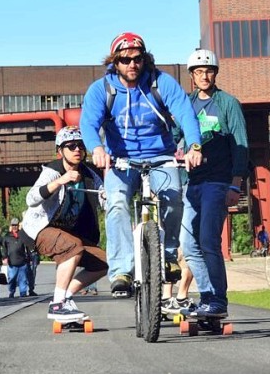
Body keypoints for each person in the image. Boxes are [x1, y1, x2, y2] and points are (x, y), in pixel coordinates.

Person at [79, 32, 203, 295]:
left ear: (145, 59)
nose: (131, 64)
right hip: (121, 160)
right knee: (116, 203)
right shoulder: (102, 90)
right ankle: (122, 270)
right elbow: (88, 124)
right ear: (114, 62)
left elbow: (186, 114)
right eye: (124, 60)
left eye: (137, 59)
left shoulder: (161, 83)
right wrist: (97, 148)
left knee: (174, 197)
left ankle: (168, 256)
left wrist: (194, 146)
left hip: (161, 156)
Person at [177, 48, 249, 318]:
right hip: (191, 183)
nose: (203, 76)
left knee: (208, 240)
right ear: (192, 76)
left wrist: (236, 183)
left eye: (208, 71)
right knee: (189, 243)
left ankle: (219, 299)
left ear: (215, 73)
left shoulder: (228, 103)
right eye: (198, 72)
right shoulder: (186, 104)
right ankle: (207, 296)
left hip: (218, 182)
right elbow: (175, 134)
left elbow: (241, 144)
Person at [20, 125, 108, 322]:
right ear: (60, 151)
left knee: (103, 262)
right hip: (40, 230)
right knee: (72, 246)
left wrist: (112, 198)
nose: (77, 149)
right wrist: (60, 181)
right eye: (71, 146)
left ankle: (66, 297)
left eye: (81, 146)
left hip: (69, 232)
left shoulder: (89, 175)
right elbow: (31, 199)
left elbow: (105, 199)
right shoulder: (52, 170)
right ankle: (58, 304)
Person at [0, 217, 30, 299]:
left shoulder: (23, 235)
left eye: (16, 225)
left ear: (18, 226)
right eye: (13, 225)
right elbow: (4, 248)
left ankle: (23, 293)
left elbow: (27, 247)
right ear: (11, 226)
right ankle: (11, 292)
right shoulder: (7, 236)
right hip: (12, 262)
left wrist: (29, 257)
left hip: (22, 261)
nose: (15, 227)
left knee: (23, 279)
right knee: (12, 279)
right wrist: (5, 257)